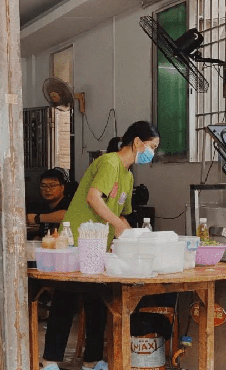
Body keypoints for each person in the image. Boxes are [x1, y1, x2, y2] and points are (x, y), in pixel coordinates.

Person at [41, 121, 160, 370]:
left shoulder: (127, 175)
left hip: (98, 247)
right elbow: (93, 198)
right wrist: (117, 224)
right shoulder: (109, 162)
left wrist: (135, 236)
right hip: (75, 240)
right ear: (137, 142)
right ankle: (50, 361)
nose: (152, 153)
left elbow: (122, 214)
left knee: (97, 303)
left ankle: (92, 361)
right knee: (65, 300)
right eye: (152, 146)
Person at [26, 168, 71, 235]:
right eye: (43, 186)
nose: (47, 189)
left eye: (52, 185)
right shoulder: (42, 206)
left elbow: (66, 215)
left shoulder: (69, 203)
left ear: (62, 187)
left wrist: (37, 218)